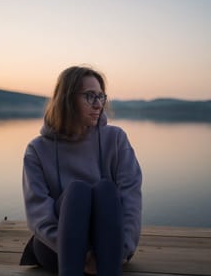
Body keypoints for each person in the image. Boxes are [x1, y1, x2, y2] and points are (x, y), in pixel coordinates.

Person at [20, 65, 142, 276]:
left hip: (110, 246)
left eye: (101, 97)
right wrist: (81, 255)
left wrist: (121, 250)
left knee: (106, 189)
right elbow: (37, 212)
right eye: (89, 96)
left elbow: (131, 199)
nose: (98, 105)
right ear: (67, 100)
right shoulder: (37, 150)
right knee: (77, 191)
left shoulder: (116, 139)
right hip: (55, 248)